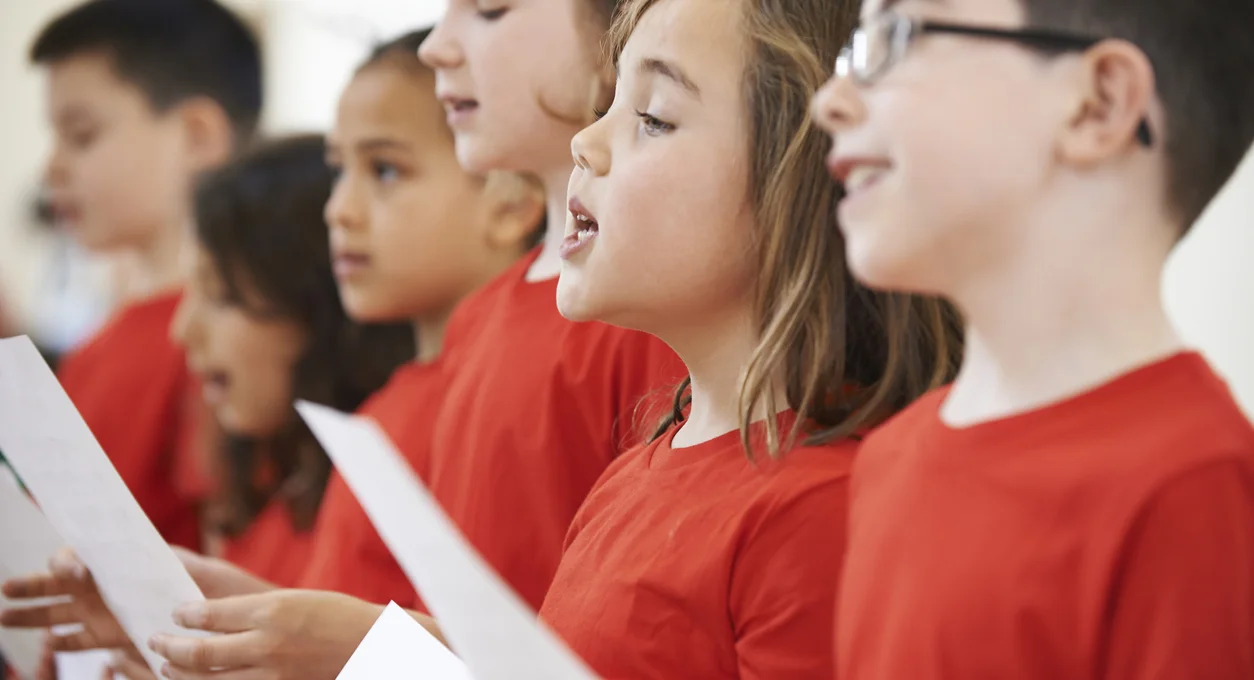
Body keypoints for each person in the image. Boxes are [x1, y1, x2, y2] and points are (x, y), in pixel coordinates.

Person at [1, 30, 547, 680]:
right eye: (343, 170)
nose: (341, 210)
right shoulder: (386, 418)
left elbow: (509, 650)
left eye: (386, 170)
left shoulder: (512, 375)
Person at [811, 0, 1254, 677]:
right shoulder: (891, 458)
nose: (830, 101)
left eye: (896, 36)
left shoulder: (1192, 490)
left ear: (1097, 105)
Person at [534, 0, 960, 676]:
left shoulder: (821, 513)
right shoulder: (629, 478)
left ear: (809, 179)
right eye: (610, 101)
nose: (584, 142)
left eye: (652, 117)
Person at [30, 0, 262, 552]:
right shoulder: (99, 343)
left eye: (82, 135)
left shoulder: (221, 345)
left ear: (197, 136)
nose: (52, 168)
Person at [173, 134, 416, 587]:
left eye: (221, 296)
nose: (182, 331)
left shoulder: (385, 492)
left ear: (315, 303)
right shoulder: (274, 493)